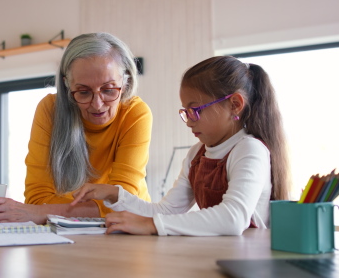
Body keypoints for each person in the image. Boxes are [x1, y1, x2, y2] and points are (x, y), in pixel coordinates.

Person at [71, 56, 290, 236]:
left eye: (195, 110)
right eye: (185, 112)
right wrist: (114, 194)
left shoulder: (249, 149)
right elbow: (166, 211)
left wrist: (152, 225)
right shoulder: (197, 154)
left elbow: (233, 218)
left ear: (234, 105)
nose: (189, 120)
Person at [0, 32, 153, 224]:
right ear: (67, 86)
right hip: (65, 228)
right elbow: (36, 198)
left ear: (125, 83)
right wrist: (48, 211)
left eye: (109, 90)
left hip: (129, 226)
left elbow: (123, 203)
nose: (97, 104)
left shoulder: (135, 113)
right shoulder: (50, 109)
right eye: (83, 92)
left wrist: (44, 211)